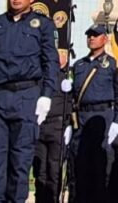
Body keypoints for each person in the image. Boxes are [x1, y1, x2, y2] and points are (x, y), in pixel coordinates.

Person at [0, 0, 59, 203]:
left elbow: (50, 62)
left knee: (20, 160)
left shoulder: (43, 25)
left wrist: (46, 95)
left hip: (26, 96)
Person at [70, 24, 118, 203]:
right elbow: (73, 97)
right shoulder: (78, 65)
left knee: (102, 170)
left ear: (105, 39)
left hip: (104, 117)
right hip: (82, 121)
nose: (91, 38)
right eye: (89, 35)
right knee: (80, 168)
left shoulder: (112, 64)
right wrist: (69, 124)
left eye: (95, 35)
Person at [34, 49, 72, 203]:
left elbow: (73, 102)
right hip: (41, 125)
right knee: (40, 170)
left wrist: (69, 124)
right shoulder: (42, 76)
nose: (58, 57)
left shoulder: (68, 77)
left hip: (58, 126)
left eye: (62, 54)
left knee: (54, 171)